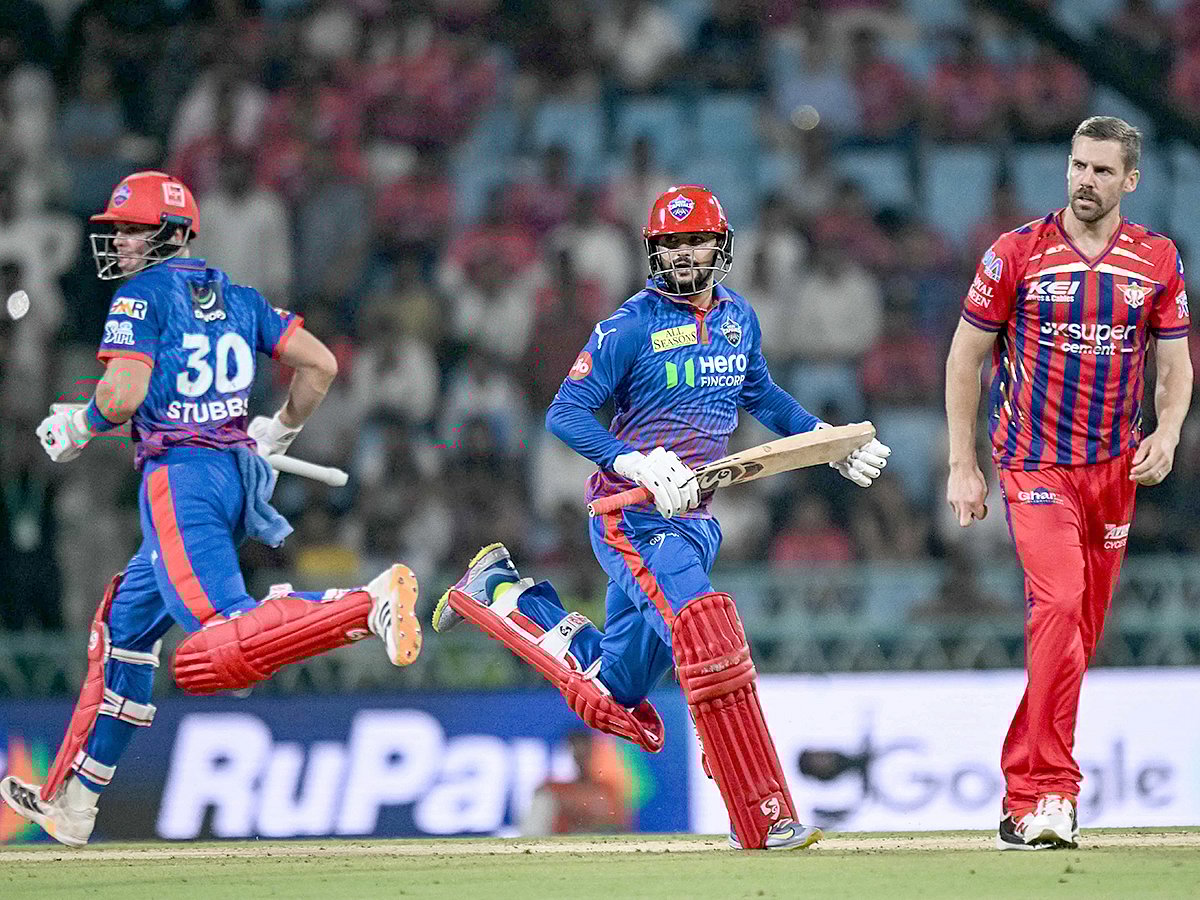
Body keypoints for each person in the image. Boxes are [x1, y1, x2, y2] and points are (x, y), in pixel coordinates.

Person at [433, 185, 891, 851]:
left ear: (722, 246)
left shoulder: (739, 318)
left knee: (616, 693)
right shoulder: (629, 324)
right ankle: (760, 815)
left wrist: (830, 441)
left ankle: (502, 593)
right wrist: (634, 463)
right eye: (669, 243)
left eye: (693, 240)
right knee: (705, 635)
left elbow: (761, 394)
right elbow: (565, 411)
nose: (681, 254)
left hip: (695, 521)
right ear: (653, 251)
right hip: (631, 517)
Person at [0, 171, 423, 847]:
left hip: (180, 476)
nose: (121, 241)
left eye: (133, 229)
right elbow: (319, 366)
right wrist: (276, 429)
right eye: (119, 229)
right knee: (124, 631)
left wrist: (78, 424)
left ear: (170, 234)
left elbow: (121, 396)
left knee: (223, 628)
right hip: (228, 471)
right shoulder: (237, 295)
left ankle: (365, 607)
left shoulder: (140, 297)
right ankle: (72, 801)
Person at [944, 117, 1192, 851]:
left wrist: (1170, 432)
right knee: (1058, 605)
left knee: (1077, 637)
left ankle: (1018, 795)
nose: (1086, 180)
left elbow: (1175, 366)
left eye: (1103, 171)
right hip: (1033, 464)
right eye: (1078, 166)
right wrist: (964, 463)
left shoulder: (1157, 259)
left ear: (1130, 181)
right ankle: (1050, 794)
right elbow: (965, 360)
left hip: (1115, 471)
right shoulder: (1016, 252)